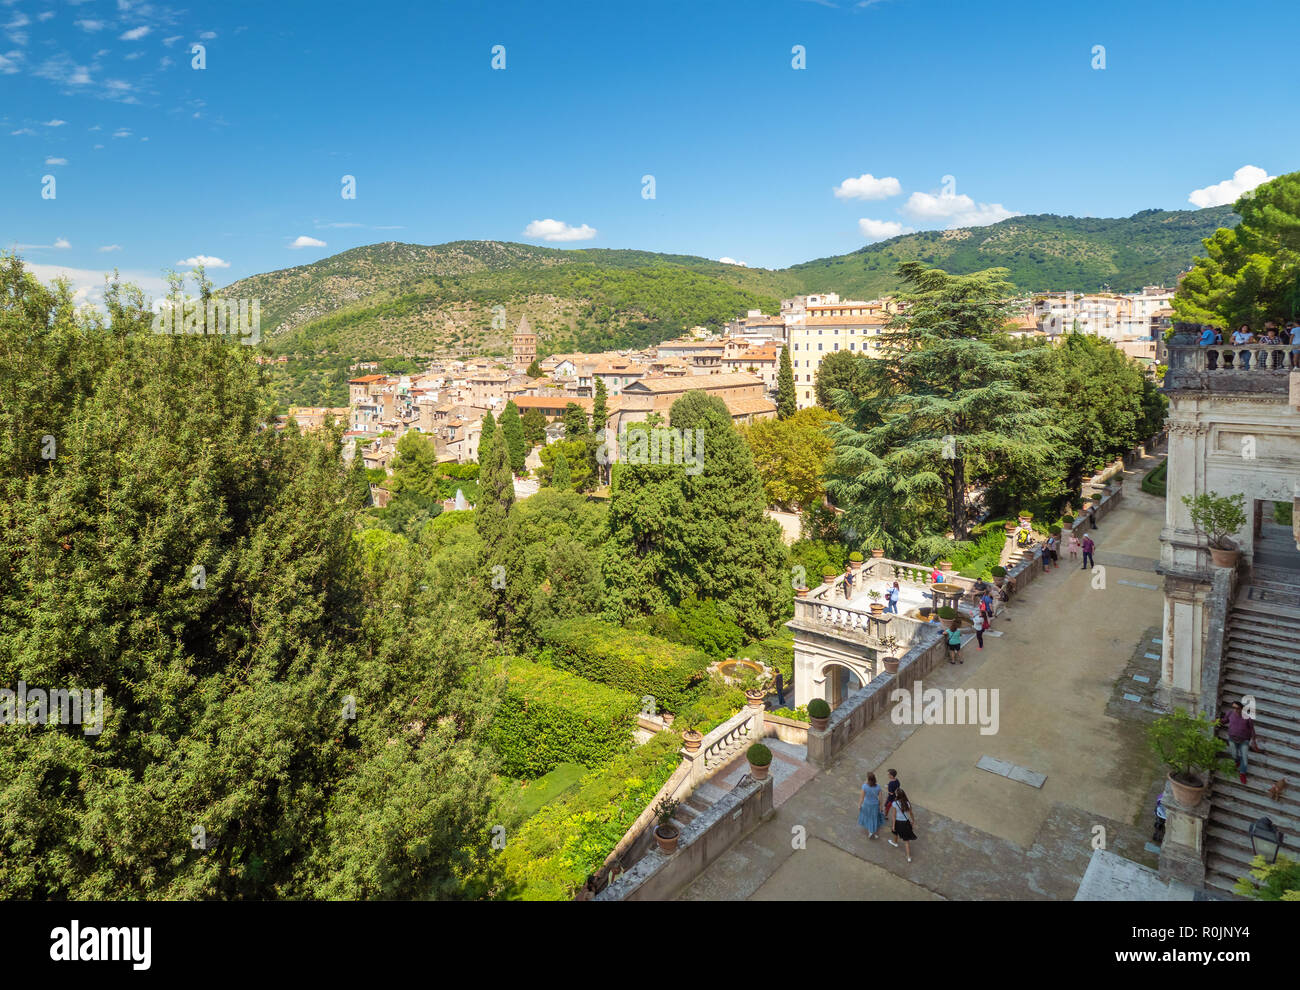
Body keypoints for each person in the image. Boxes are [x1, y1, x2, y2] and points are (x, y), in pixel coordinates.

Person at [1219, 700, 1255, 785]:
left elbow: (1252, 729)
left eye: (1237, 708)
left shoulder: (1247, 717)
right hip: (1232, 739)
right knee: (1234, 754)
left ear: (1242, 708)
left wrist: (1254, 741)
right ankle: (1237, 761)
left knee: (1244, 758)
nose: (1235, 710)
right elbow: (1225, 720)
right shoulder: (1230, 714)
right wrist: (1218, 721)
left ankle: (1242, 773)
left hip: (1244, 740)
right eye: (1234, 708)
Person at [887, 788, 917, 862]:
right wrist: (913, 821)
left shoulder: (895, 803)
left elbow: (894, 815)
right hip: (906, 823)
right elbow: (911, 813)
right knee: (906, 841)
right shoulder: (908, 803)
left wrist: (893, 825)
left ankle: (895, 843)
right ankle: (908, 857)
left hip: (898, 822)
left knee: (895, 832)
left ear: (897, 796)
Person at [858, 772, 884, 839]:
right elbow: (881, 799)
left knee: (868, 817)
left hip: (867, 804)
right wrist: (881, 808)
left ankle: (870, 831)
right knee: (874, 818)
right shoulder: (878, 787)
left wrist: (859, 805)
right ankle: (874, 832)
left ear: (868, 779)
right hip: (875, 805)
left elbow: (862, 797)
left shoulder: (864, 786)